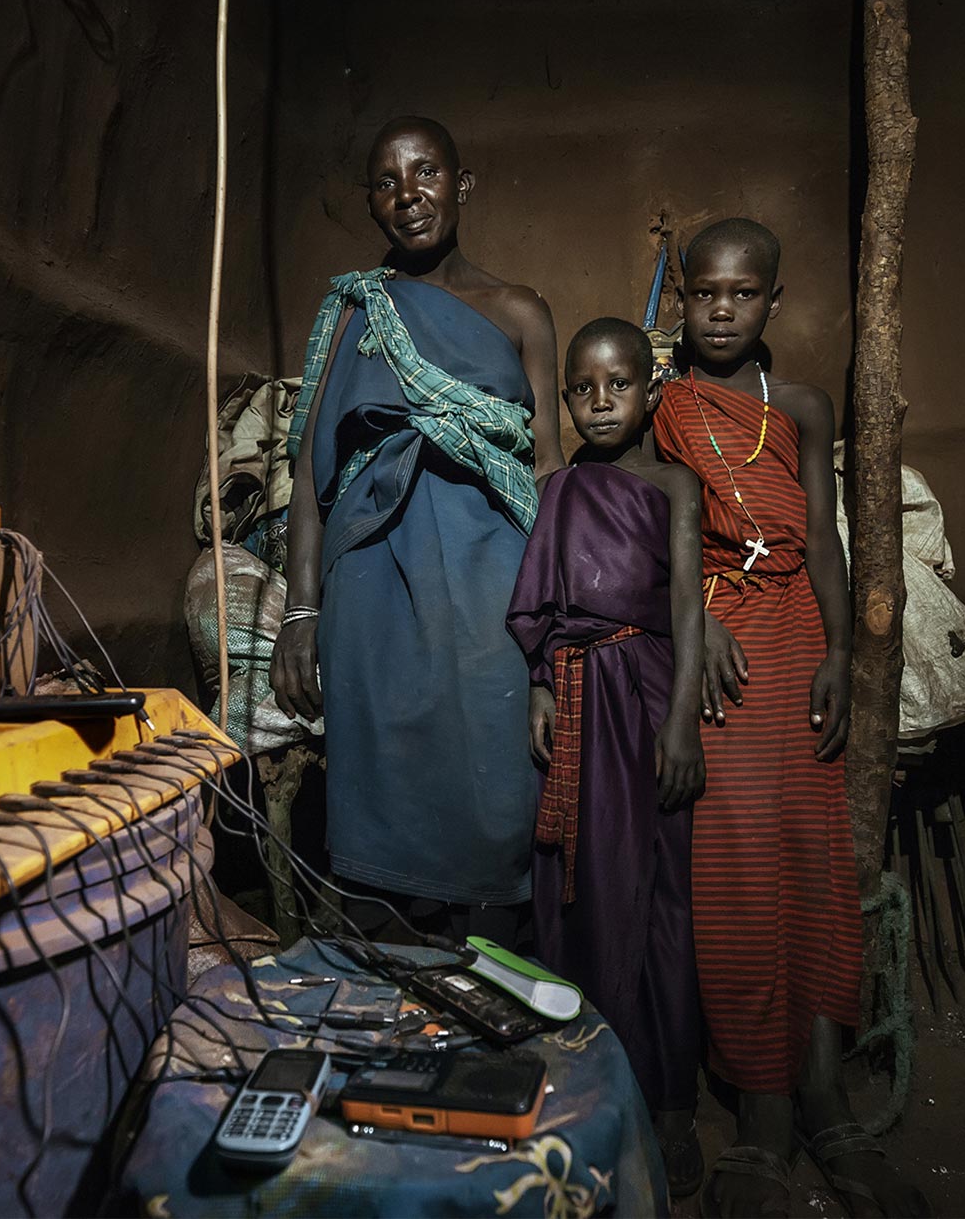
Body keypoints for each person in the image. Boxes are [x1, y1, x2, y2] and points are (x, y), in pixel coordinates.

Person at [653, 219, 929, 1217]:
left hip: (799, 641)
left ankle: (822, 1090)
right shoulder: (669, 406)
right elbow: (676, 542)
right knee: (733, 865)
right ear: (682, 299)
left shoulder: (802, 405)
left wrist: (842, 654)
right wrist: (695, 636)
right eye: (702, 293)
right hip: (723, 643)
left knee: (810, 859)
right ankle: (760, 1105)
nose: (719, 310)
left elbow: (821, 539)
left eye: (740, 293)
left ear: (772, 299)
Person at [271, 117, 566, 945]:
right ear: (370, 202)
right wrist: (301, 612)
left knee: (497, 781)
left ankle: (490, 1005)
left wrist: (552, 618)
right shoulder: (354, 305)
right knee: (386, 794)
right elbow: (307, 466)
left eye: (427, 172)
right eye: (389, 182)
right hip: (371, 575)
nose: (410, 196)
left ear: (462, 184)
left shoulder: (521, 312)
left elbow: (544, 468)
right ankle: (391, 1006)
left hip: (493, 575)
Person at [505, 318, 712, 1196]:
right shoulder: (556, 489)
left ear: (649, 392)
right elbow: (542, 608)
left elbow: (691, 609)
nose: (599, 401)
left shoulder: (674, 485)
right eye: (582, 388)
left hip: (646, 696)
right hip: (579, 700)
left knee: (655, 890)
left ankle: (669, 1102)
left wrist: (682, 727)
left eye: (617, 384)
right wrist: (544, 687)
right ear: (566, 400)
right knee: (571, 886)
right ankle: (585, 1084)